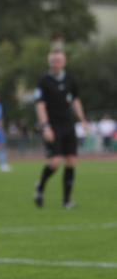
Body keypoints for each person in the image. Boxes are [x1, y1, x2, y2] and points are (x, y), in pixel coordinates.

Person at [33, 50, 88, 209]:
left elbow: (76, 101)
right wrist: (45, 126)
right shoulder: (44, 81)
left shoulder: (70, 80)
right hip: (53, 125)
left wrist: (82, 120)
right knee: (55, 162)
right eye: (53, 60)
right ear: (49, 62)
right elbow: (40, 106)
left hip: (68, 125)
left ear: (64, 62)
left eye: (58, 60)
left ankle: (66, 201)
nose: (55, 63)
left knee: (71, 161)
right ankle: (40, 187)